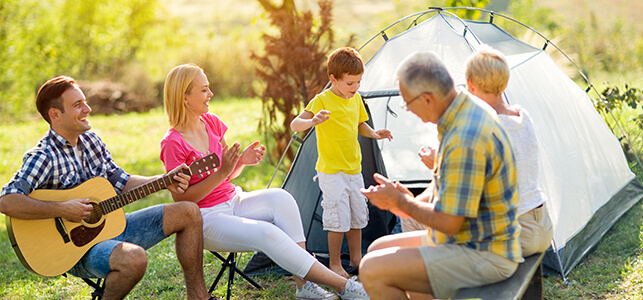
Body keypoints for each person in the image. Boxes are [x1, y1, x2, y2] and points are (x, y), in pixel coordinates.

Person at [159, 63, 370, 300]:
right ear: (185, 97)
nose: (211, 94)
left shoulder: (211, 122)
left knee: (282, 198)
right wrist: (221, 174)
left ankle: (304, 286)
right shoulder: (172, 143)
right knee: (267, 233)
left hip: (233, 199)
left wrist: (241, 162)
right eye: (204, 90)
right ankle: (343, 286)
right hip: (206, 218)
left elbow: (226, 174)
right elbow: (181, 200)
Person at [0, 76, 213, 300]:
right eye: (77, 105)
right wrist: (63, 209)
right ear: (55, 114)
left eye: (85, 102)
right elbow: (7, 201)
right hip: (77, 251)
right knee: (134, 259)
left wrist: (164, 179)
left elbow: (121, 182)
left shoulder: (91, 141)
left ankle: (199, 297)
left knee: (188, 211)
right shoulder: (43, 156)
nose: (88, 109)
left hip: (112, 228)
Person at [358, 51, 522, 300]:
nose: (407, 110)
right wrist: (407, 200)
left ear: (426, 98)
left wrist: (403, 203)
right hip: (471, 237)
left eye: (407, 103)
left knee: (371, 270)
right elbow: (443, 186)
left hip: (486, 251)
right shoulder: (460, 109)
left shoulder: (464, 137)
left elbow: (449, 222)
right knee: (376, 248)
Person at [290, 47, 393, 278]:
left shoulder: (355, 99)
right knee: (337, 219)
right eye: (350, 83)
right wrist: (313, 121)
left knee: (357, 216)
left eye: (358, 82)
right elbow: (295, 125)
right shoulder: (322, 100)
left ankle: (356, 259)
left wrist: (374, 133)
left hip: (353, 169)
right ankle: (335, 264)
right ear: (333, 80)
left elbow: (359, 125)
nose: (355, 87)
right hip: (332, 172)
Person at [465, 46, 553, 256]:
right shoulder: (522, 115)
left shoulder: (484, 126)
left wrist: (436, 165)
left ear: (470, 84)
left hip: (516, 232)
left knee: (431, 229)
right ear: (506, 82)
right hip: (543, 225)